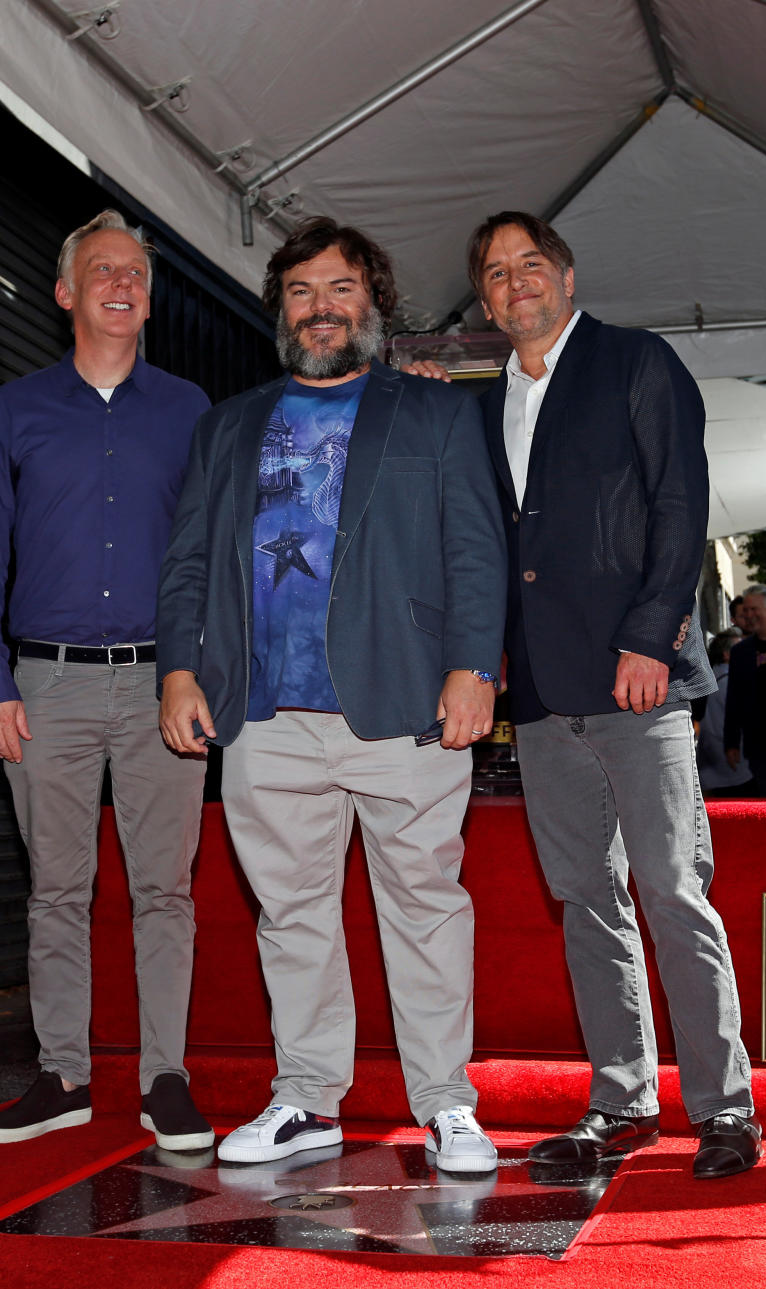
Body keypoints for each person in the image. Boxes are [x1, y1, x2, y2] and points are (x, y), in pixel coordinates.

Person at [157, 217, 506, 1173]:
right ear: (281, 310)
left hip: (405, 708)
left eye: (340, 288)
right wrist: (180, 669)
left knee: (427, 905)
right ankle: (308, 1100)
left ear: (374, 304)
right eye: (302, 292)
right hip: (263, 712)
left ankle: (446, 1103)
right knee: (292, 912)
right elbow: (187, 558)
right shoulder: (228, 425)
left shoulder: (434, 412)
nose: (321, 308)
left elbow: (477, 546)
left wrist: (476, 666)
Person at [466, 210, 759, 1180]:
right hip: (544, 694)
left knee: (673, 888)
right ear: (485, 299)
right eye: (497, 274)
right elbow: (495, 548)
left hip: (638, 682)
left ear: (566, 272)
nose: (516, 284)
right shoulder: (486, 403)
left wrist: (650, 634)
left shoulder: (636, 362)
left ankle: (724, 1109)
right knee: (587, 898)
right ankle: (622, 1099)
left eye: (530, 265)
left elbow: (681, 502)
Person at [0, 211, 214, 1151]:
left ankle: (165, 1079)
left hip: (159, 686)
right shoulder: (12, 411)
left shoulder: (189, 410)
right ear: (66, 293)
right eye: (102, 269)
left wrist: (200, 671)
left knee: (165, 892)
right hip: (44, 687)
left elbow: (210, 553)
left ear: (148, 296)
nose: (121, 282)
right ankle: (61, 1074)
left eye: (136, 271)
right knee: (56, 889)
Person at [723, 584, 766, 796]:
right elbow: (734, 698)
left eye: (755, 609)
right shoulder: (740, 652)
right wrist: (731, 742)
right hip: (758, 745)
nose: (749, 615)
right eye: (746, 610)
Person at [697, 629, 756, 798]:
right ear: (726, 655)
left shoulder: (708, 678)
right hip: (736, 764)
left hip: (712, 762)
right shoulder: (730, 681)